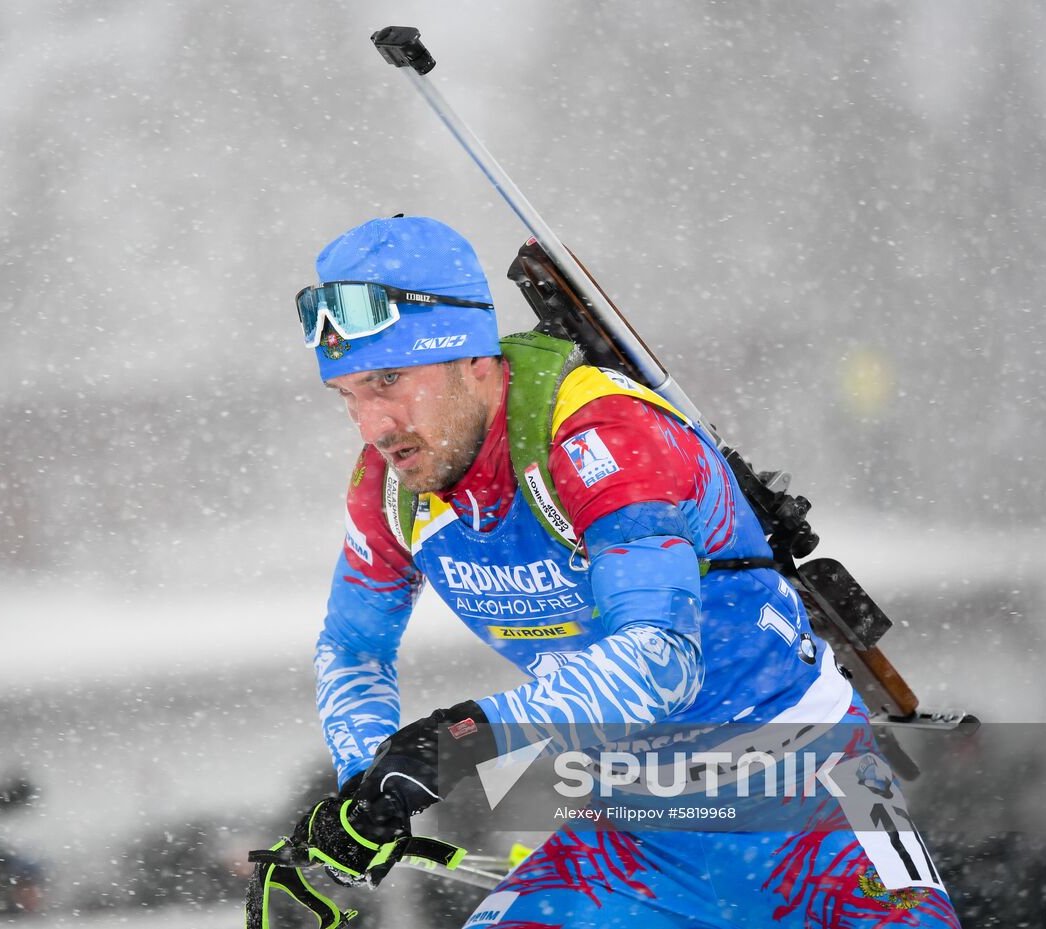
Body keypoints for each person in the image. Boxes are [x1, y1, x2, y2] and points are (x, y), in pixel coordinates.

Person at [265, 215, 961, 928]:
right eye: (349, 394)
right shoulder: (391, 486)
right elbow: (354, 649)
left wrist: (454, 744)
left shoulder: (600, 433)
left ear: (473, 358)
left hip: (817, 801)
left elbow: (659, 664)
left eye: (389, 380)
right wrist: (367, 787)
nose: (374, 425)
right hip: (634, 833)